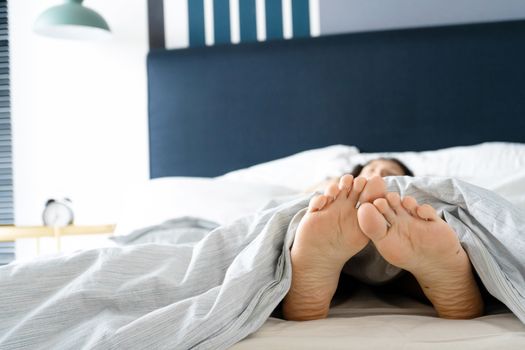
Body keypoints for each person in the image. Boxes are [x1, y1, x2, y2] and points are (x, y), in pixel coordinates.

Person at [283, 159, 484, 321]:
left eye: (390, 174)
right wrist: (327, 186)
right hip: (344, 243)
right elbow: (294, 199)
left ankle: (443, 278)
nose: (378, 176)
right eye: (371, 170)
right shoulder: (334, 184)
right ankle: (445, 279)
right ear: (355, 175)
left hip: (402, 241)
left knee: (416, 268)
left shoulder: (419, 190)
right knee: (401, 280)